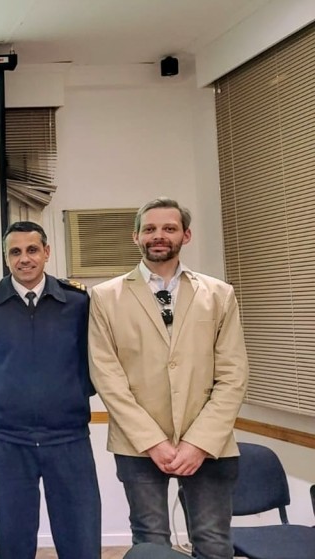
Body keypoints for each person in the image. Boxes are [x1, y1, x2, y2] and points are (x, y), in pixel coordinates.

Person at [88, 197, 248, 559]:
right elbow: (107, 376)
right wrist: (153, 441)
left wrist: (198, 443)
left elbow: (233, 374)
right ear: (136, 236)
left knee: (214, 544)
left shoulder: (219, 294)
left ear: (186, 235)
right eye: (150, 229)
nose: (158, 235)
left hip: (209, 444)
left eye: (169, 228)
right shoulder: (105, 297)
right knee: (150, 544)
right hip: (138, 444)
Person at [0, 221, 101, 559]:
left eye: (32, 250)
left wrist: (68, 398)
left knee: (81, 537)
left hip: (67, 437)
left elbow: (90, 361)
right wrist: (1, 399)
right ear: (6, 257)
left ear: (46, 252)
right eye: (15, 252)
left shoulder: (77, 301)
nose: (24, 259)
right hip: (7, 439)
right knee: (14, 539)